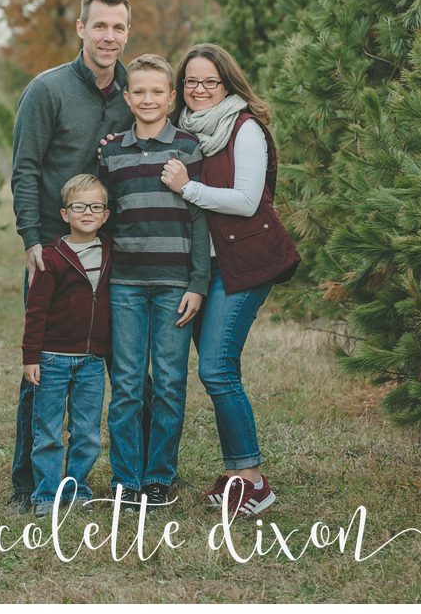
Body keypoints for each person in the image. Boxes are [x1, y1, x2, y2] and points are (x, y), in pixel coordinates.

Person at [7, 0, 136, 509]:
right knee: (42, 367)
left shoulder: (134, 92)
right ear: (81, 28)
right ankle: (27, 484)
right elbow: (25, 167)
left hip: (111, 255)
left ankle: (114, 478)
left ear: (128, 33)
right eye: (100, 26)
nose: (109, 37)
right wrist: (31, 239)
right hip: (55, 253)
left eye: (119, 28)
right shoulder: (48, 90)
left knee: (108, 367)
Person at [158, 44, 300, 518]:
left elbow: (245, 201)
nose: (199, 91)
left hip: (246, 264)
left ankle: (254, 481)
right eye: (191, 82)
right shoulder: (185, 131)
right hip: (207, 267)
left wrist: (187, 188)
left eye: (210, 82)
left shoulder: (245, 129)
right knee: (220, 370)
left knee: (217, 369)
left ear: (227, 85)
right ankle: (236, 469)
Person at [98, 53, 210, 508]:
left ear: (171, 98)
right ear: (127, 97)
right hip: (124, 283)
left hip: (173, 285)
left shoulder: (187, 148)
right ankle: (126, 479)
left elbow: (200, 217)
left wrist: (198, 282)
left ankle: (159, 476)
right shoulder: (112, 151)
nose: (147, 99)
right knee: (126, 383)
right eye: (138, 91)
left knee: (168, 381)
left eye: (157, 92)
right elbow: (106, 222)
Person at [20, 174, 113, 516]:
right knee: (47, 431)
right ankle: (45, 494)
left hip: (91, 361)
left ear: (105, 214)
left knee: (86, 431)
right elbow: (35, 310)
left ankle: (77, 488)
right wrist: (31, 356)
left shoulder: (110, 252)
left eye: (95, 206)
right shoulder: (51, 257)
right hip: (53, 359)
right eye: (78, 206)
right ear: (64, 213)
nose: (86, 212)